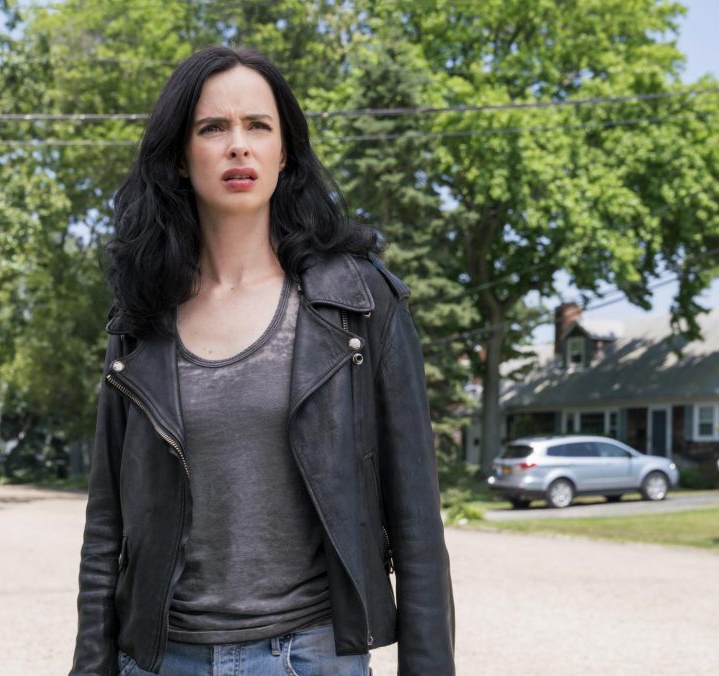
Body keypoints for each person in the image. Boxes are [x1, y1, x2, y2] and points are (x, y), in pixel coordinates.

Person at [70, 46, 454, 676]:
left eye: (258, 126)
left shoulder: (358, 301)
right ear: (179, 156)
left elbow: (416, 520)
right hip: (161, 660)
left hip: (309, 657)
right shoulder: (139, 316)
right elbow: (106, 522)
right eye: (212, 128)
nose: (238, 146)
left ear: (285, 152)